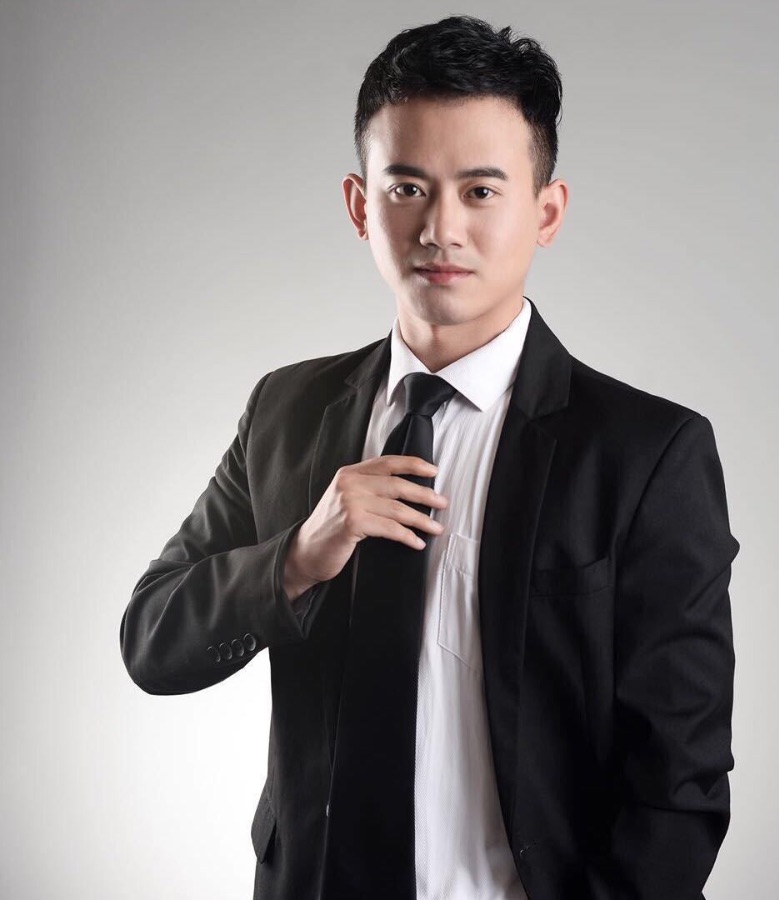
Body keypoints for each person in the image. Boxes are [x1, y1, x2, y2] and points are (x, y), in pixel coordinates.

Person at [120, 15, 739, 900]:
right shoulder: (285, 412)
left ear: (546, 212)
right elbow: (152, 642)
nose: (440, 228)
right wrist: (298, 558)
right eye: (407, 187)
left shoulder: (646, 454)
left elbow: (678, 783)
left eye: (481, 191)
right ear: (359, 205)